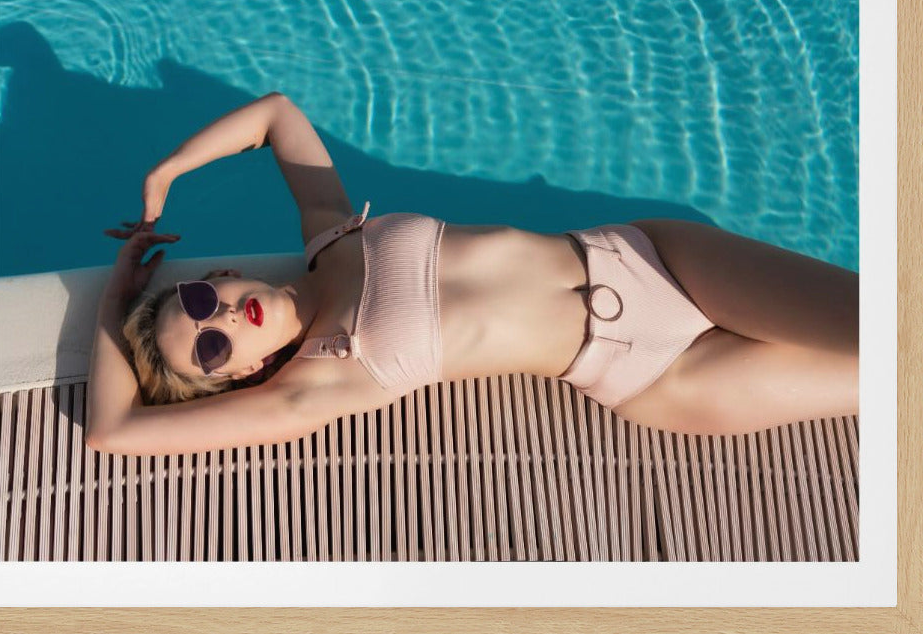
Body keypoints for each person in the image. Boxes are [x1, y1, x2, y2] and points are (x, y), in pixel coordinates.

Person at [86, 92, 859, 456]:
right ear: (243, 375)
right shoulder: (310, 387)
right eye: (211, 350)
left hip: (654, 258)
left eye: (197, 301)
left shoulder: (330, 235)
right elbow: (112, 433)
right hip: (661, 375)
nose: (220, 320)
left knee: (882, 324)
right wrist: (112, 301)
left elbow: (276, 115)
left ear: (217, 273)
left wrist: (172, 168)